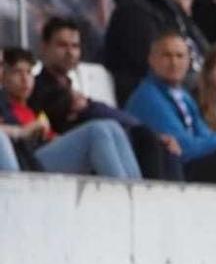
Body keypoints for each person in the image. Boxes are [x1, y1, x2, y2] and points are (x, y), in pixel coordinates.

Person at [30, 16, 178, 181]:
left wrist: (88, 107)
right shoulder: (34, 87)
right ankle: (125, 195)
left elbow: (92, 110)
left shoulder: (71, 90)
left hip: (82, 154)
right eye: (62, 45)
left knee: (143, 136)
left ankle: (139, 195)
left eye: (75, 46)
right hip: (47, 156)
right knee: (102, 130)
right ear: (44, 47)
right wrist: (78, 106)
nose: (70, 52)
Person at [125, 31, 216, 185]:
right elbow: (185, 149)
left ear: (189, 61)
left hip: (189, 166)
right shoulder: (149, 97)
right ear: (151, 60)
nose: (174, 62)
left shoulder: (182, 95)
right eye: (167, 55)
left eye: (180, 56)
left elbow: (204, 136)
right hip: (173, 171)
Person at [0, 48, 142, 179]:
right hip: (29, 161)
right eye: (17, 72)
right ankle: (123, 195)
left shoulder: (33, 108)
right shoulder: (3, 105)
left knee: (113, 127)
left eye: (29, 72)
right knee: (97, 131)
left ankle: (138, 193)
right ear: (4, 76)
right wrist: (22, 131)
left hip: (45, 151)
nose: (25, 80)